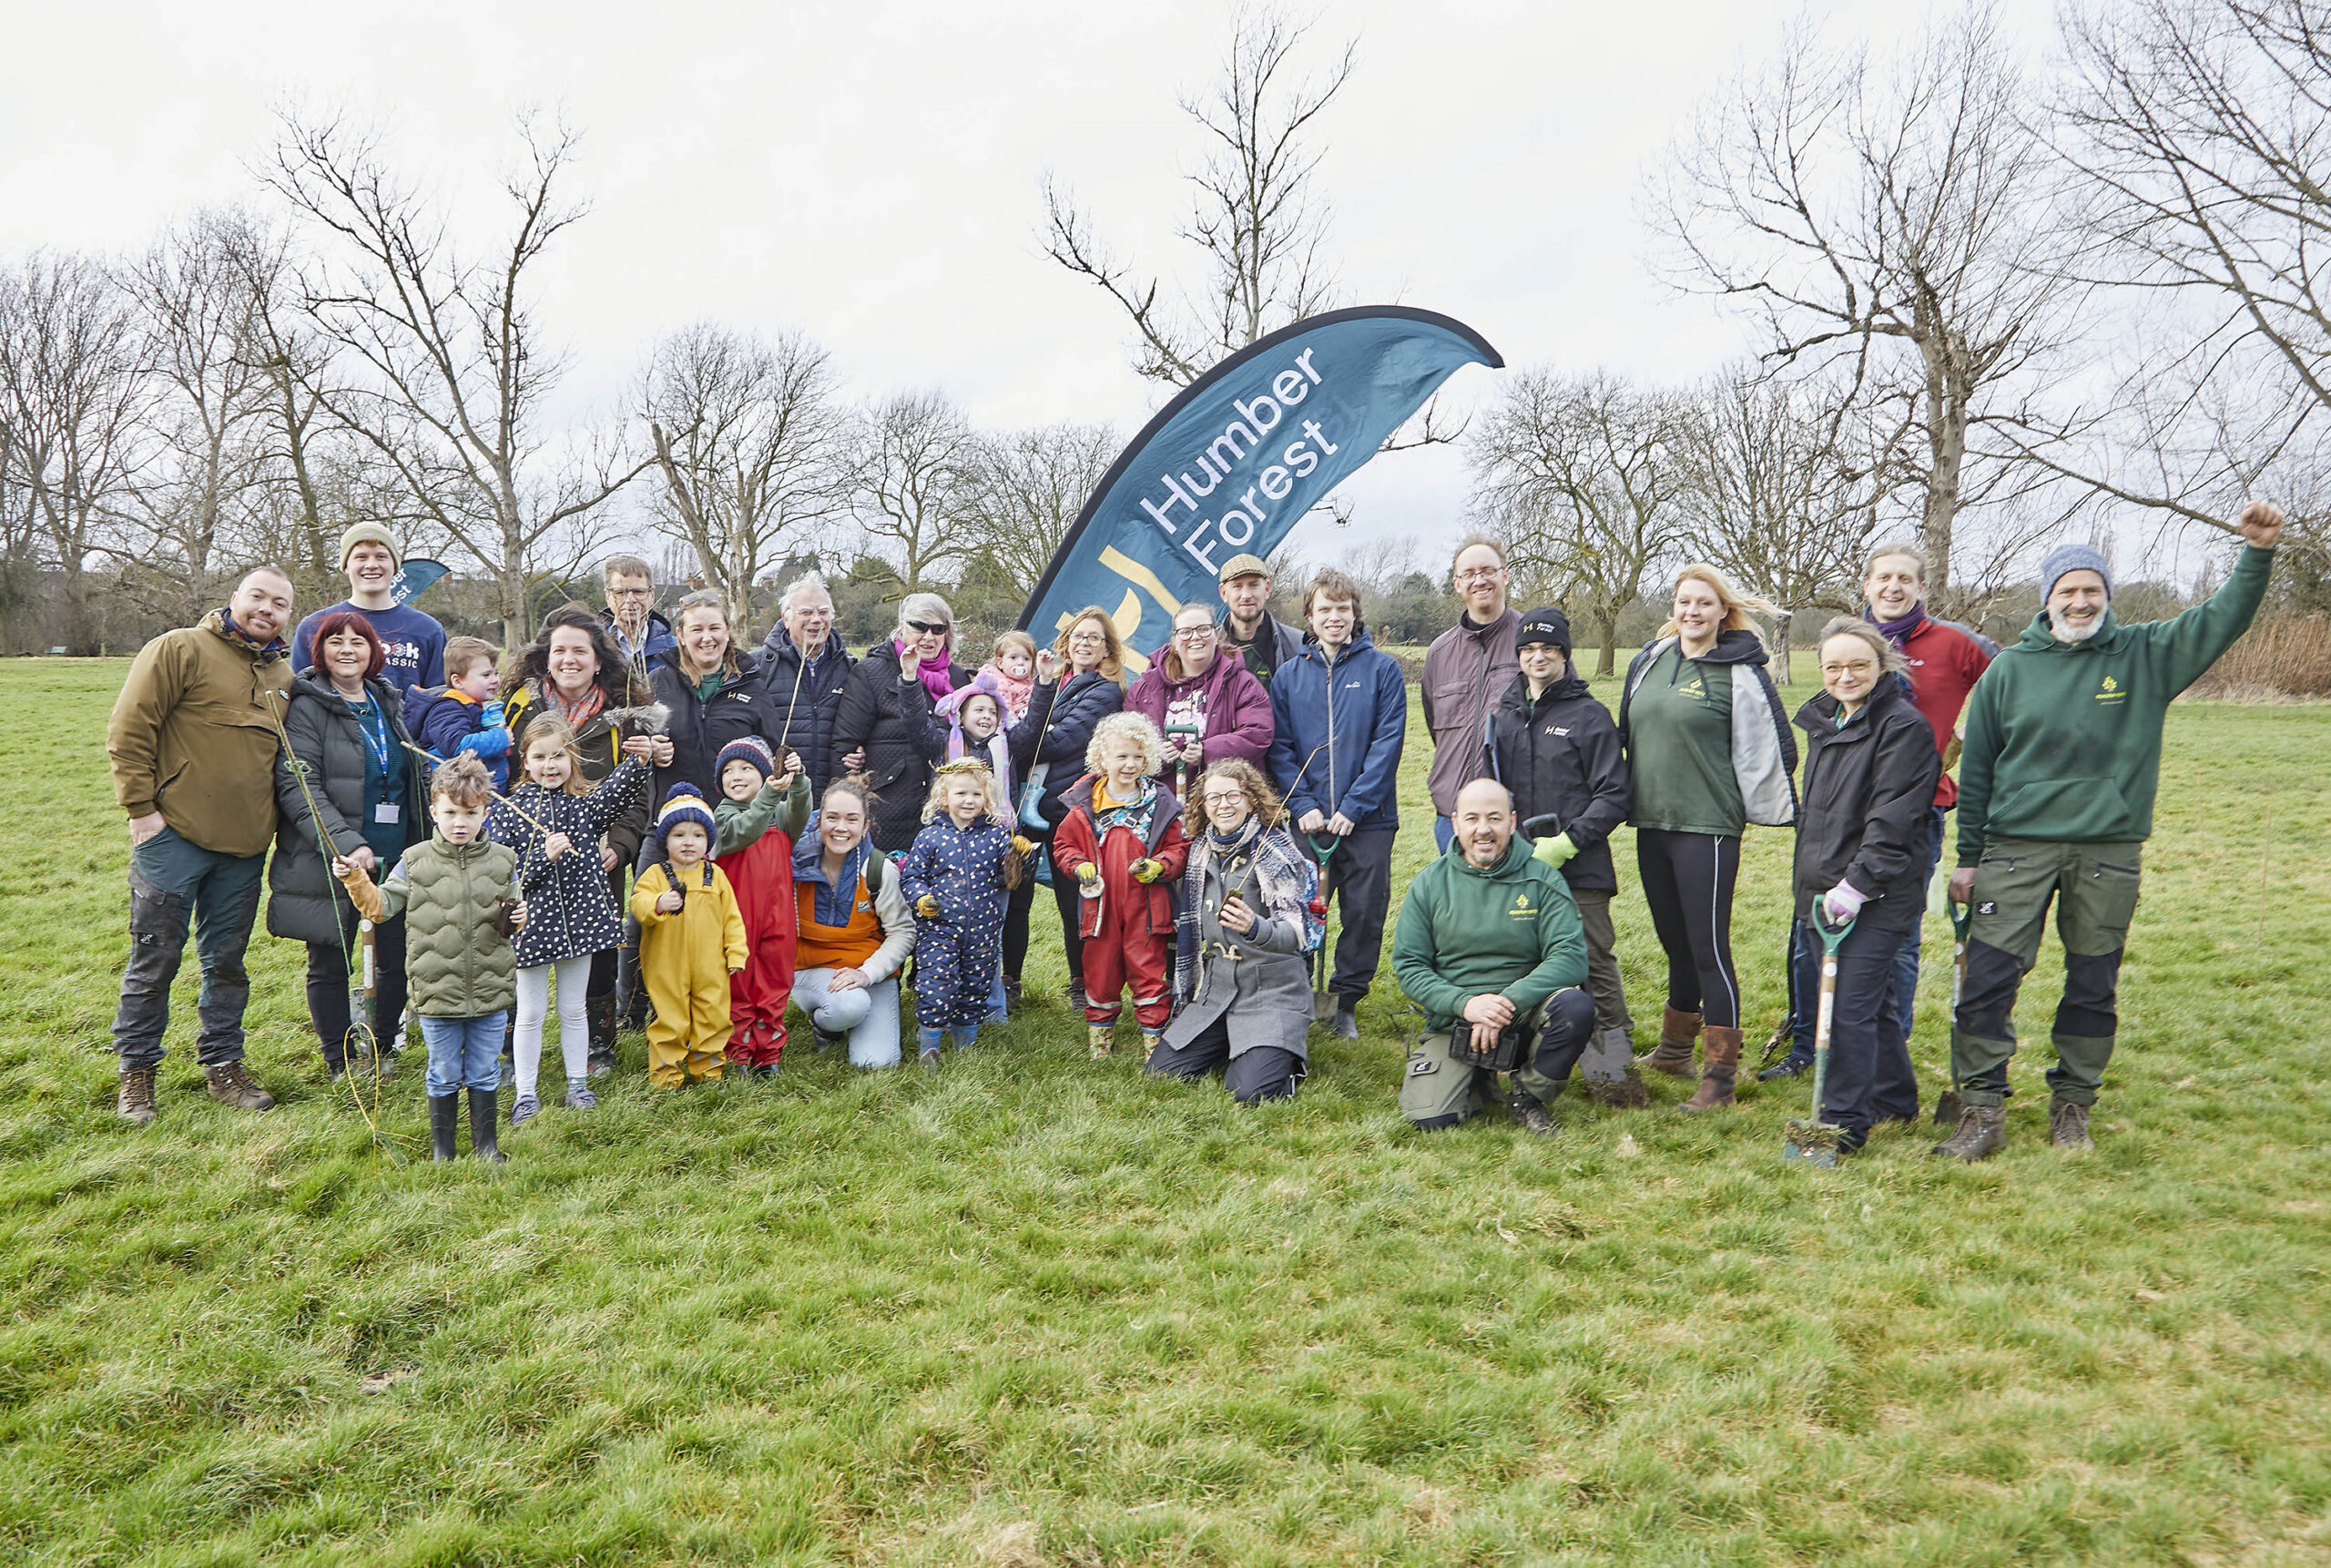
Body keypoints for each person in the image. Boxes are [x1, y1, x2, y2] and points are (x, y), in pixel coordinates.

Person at [1937, 504, 2283, 1159]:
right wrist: (1968, 857)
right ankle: (1982, 1110)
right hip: (2015, 851)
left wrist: (2257, 554)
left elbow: (2223, 618)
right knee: (1987, 980)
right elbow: (1977, 770)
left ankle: (2073, 1105)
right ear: (2047, 599)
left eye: (2091, 589)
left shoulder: (2145, 655)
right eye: (2067, 590)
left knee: (2093, 983)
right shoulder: (2010, 669)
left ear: (2107, 595)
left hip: (2107, 851)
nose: (2080, 601)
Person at [1762, 541, 1998, 1083]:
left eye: (1905, 579)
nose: (1893, 587)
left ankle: (1883, 1051)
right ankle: (1809, 1045)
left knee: (1894, 941)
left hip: (1912, 814)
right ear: (1866, 585)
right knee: (1811, 935)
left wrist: (1966, 737)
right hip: (1839, 814)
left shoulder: (1953, 642)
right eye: (1883, 577)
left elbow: (2014, 680)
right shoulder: (1846, 646)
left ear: (1922, 587)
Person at [107, 566, 299, 1124]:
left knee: (227, 963)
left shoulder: (283, 676)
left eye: (279, 604)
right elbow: (129, 729)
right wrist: (141, 810)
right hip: (172, 838)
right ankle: (137, 1072)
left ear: (289, 615)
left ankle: (223, 1064)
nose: (266, 609)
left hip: (244, 848)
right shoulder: (179, 649)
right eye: (257, 596)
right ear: (235, 598)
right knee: (155, 959)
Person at [1619, 563, 1797, 1111]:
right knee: (1673, 941)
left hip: (1708, 828)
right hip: (1652, 822)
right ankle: (1675, 1050)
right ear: (1673, 608)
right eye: (1684, 602)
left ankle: (1720, 1076)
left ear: (1723, 611)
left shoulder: (1738, 672)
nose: (1692, 611)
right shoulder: (1650, 659)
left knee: (1707, 947)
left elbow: (1779, 748)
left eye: (1704, 602)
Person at [1788, 619, 1942, 1152]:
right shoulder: (1825, 722)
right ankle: (1894, 1098)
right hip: (1821, 889)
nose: (1845, 676)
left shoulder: (1903, 728)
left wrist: (1856, 886)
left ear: (1882, 665)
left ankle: (1842, 1123)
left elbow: (1893, 820)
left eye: (1858, 664)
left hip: (1877, 891)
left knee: (1844, 1008)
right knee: (1870, 1004)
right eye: (1833, 666)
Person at [1481, 606, 1644, 1106]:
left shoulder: (1588, 716)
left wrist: (1567, 842)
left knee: (1593, 963)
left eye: (1549, 649)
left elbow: (1614, 794)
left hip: (1581, 867)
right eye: (1529, 649)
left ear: (1565, 655)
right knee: (1525, 963)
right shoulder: (1504, 715)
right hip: (1521, 868)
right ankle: (1534, 1066)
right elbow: (1494, 790)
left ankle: (1613, 1075)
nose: (1538, 657)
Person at [334, 756, 527, 1164]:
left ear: (485, 812)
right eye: (451, 812)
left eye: (470, 813)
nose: (460, 823)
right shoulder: (415, 860)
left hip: (491, 990)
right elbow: (379, 907)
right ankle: (444, 1150)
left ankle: (487, 1146)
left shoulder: (504, 860)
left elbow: (511, 916)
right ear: (434, 810)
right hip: (436, 991)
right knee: (443, 1071)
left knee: (484, 1069)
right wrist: (355, 879)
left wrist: (518, 917)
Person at [266, 609, 430, 1081]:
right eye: (335, 640)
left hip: (395, 854)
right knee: (330, 960)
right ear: (319, 650)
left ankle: (381, 1050)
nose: (347, 649)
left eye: (358, 641)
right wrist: (346, 844)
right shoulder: (308, 705)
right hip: (332, 856)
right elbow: (299, 784)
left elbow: (408, 771)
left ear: (372, 651)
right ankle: (339, 1060)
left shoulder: (386, 700)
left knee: (394, 961)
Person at [502, 605, 666, 1074]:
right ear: (546, 657)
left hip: (596, 855)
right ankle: (511, 1047)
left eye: (580, 651)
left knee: (596, 948)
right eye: (560, 650)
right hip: (527, 856)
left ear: (598, 660)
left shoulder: (625, 713)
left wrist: (619, 845)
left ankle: (598, 1045)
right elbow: (503, 777)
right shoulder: (519, 706)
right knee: (516, 945)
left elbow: (633, 794)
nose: (568, 659)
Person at [1391, 778, 1599, 1136]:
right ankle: (1477, 1079)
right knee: (1430, 1120)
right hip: (1455, 1021)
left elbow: (1570, 958)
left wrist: (1506, 1003)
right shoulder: (1429, 884)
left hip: (1523, 1016)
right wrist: (1467, 1005)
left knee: (1575, 1007)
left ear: (1512, 822)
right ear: (1455, 823)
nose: (1483, 830)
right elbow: (1410, 967)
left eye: (1494, 818)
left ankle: (1528, 1096)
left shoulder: (1543, 879)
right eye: (1472, 819)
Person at [1265, 568, 1407, 1039]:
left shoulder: (1382, 670)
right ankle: (1300, 990)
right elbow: (1280, 748)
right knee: (1302, 908)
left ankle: (1346, 1000)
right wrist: (1303, 803)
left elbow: (1387, 745)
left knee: (1364, 912)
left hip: (1368, 821)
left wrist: (1353, 808)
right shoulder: (1288, 676)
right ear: (1309, 616)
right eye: (1324, 609)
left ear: (1354, 613)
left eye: (1342, 609)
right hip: (1307, 821)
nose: (1334, 617)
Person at [493, 717, 649, 1121]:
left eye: (559, 756)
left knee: (574, 1008)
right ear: (525, 760)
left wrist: (638, 762)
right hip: (531, 926)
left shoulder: (584, 805)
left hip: (581, 924)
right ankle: (525, 1092)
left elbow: (617, 793)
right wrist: (544, 857)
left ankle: (578, 1084)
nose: (550, 765)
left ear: (573, 758)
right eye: (540, 757)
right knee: (530, 1013)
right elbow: (504, 878)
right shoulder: (509, 811)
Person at [1149, 760, 1322, 1103]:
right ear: (1203, 806)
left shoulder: (1277, 853)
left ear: (1251, 800)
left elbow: (1298, 934)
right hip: (1217, 992)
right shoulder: (1200, 851)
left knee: (1248, 1094)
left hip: (1272, 993)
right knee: (1161, 1073)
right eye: (1213, 798)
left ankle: (1281, 1057)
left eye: (1233, 795)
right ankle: (1236, 1043)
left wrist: (1255, 927)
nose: (1223, 805)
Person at [1007, 607, 1127, 1011]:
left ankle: (1081, 983)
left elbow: (1056, 742)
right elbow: (1029, 732)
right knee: (1016, 895)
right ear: (1066, 641)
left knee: (1073, 899)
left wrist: (1023, 735)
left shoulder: (1105, 691)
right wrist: (1030, 731)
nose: (1085, 643)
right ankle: (1010, 980)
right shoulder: (1050, 680)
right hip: (1024, 806)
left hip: (1066, 809)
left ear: (1107, 648)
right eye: (1079, 635)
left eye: (1095, 637)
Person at [1052, 713, 1191, 1059]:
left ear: (1148, 759)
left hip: (1147, 909)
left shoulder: (1160, 803)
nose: (1130, 764)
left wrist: (1160, 865)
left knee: (1150, 973)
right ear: (1103, 758)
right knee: (1100, 973)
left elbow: (1179, 848)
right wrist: (1078, 864)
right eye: (1122, 756)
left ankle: (1154, 1048)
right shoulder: (1086, 803)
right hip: (1101, 910)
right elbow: (1063, 845)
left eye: (1138, 757)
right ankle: (1101, 1045)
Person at [901, 759, 1024, 1067]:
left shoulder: (995, 836)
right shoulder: (930, 836)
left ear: (986, 798)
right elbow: (912, 876)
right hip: (938, 929)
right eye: (961, 794)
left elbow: (1011, 877)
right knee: (935, 984)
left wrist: (1021, 855)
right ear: (944, 797)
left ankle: (964, 1047)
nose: (969, 801)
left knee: (975, 986)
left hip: (982, 931)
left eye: (976, 794)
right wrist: (921, 899)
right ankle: (929, 1045)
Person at [829, 592, 972, 853]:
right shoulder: (870, 673)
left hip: (946, 808)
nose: (928, 636)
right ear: (902, 626)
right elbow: (845, 745)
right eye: (919, 627)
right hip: (887, 806)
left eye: (938, 629)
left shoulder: (958, 678)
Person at [791, 778, 917, 1068]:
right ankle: (826, 1025)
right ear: (819, 820)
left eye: (851, 819)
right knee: (849, 1006)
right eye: (832, 818)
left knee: (876, 1063)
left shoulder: (878, 870)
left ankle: (858, 1016)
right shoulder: (795, 866)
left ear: (865, 826)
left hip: (869, 972)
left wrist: (867, 973)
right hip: (812, 971)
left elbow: (902, 932)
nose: (841, 828)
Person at [630, 786, 748, 1091]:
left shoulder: (716, 876)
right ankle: (666, 1075)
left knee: (713, 1017)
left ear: (708, 841)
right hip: (666, 966)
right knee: (670, 1019)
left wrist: (736, 952)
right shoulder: (656, 874)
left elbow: (732, 918)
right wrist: (658, 903)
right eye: (679, 834)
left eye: (697, 835)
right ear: (665, 840)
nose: (688, 842)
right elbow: (638, 905)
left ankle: (708, 1071)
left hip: (711, 966)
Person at [711, 736, 810, 1077]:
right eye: (728, 770)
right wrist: (769, 794)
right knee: (738, 982)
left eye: (746, 768)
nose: (736, 776)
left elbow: (800, 811)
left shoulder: (779, 816)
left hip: (778, 916)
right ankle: (738, 1052)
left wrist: (798, 780)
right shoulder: (721, 816)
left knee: (774, 981)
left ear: (767, 773)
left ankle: (768, 1054)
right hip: (737, 919)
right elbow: (746, 830)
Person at [1421, 536, 1521, 850]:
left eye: (1488, 571)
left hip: (1517, 814)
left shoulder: (1532, 643)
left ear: (1505, 575)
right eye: (1469, 574)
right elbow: (1434, 724)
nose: (1479, 581)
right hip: (1453, 816)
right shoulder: (1439, 653)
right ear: (1457, 584)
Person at [1125, 602, 1274, 799]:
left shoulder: (1243, 683)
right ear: (1174, 641)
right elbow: (1127, 741)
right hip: (1159, 803)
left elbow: (1258, 733)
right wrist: (1155, 755)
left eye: (1203, 629)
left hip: (1225, 800)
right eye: (1185, 632)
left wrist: (1207, 751)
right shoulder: (1144, 689)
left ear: (1216, 635)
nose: (1195, 637)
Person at [290, 521, 445, 708]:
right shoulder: (314, 626)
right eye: (361, 557)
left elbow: (439, 703)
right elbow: (299, 699)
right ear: (346, 566)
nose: (371, 565)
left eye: (381, 556)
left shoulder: (428, 630)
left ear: (395, 566)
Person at [758, 570, 856, 799]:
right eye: (806, 612)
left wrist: (862, 751)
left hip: (831, 801)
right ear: (786, 619)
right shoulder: (759, 667)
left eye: (823, 612)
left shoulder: (852, 668)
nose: (816, 619)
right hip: (776, 801)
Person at [404, 636, 513, 791]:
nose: (495, 680)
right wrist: (499, 738)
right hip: (458, 793)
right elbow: (455, 746)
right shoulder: (447, 708)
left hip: (480, 790)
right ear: (458, 681)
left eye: (496, 673)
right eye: (486, 675)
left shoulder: (473, 703)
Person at [1216, 553, 1305, 687]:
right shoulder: (1210, 648)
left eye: (1253, 585)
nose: (1246, 595)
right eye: (1237, 586)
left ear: (1267, 589)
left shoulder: (1298, 645)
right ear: (1223, 593)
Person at [601, 554, 676, 674]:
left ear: (652, 595)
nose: (630, 600)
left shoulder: (675, 651)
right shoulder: (593, 648)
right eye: (620, 593)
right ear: (607, 596)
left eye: (639, 592)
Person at [980, 629, 1041, 724]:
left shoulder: (1032, 686)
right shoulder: (999, 683)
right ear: (1000, 663)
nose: (1020, 663)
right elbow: (1004, 711)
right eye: (1013, 658)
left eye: (1026, 659)